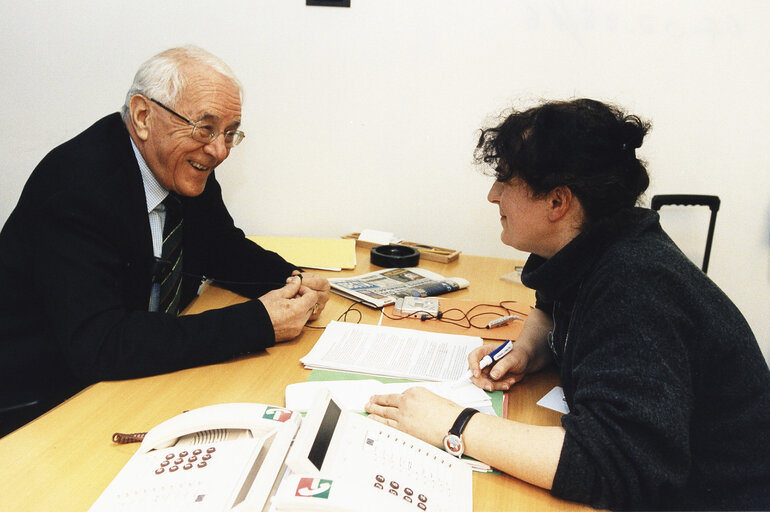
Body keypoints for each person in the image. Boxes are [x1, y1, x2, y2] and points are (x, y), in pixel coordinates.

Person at [366, 98, 770, 510]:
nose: (492, 195)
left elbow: (616, 466)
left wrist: (453, 424)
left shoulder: (637, 286)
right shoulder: (596, 242)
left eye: (505, 180)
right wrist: (527, 349)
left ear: (557, 202)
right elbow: (552, 305)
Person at [0, 46, 330, 436]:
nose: (219, 150)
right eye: (205, 129)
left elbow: (221, 248)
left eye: (229, 133)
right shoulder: (76, 189)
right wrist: (258, 323)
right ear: (143, 116)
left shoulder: (179, 161)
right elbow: (101, 344)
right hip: (46, 402)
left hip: (129, 376)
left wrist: (290, 280)